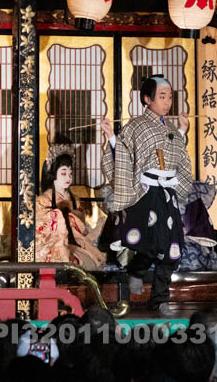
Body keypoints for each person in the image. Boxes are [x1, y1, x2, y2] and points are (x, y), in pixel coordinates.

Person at [100, 75, 193, 316]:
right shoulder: (135, 126)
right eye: (162, 97)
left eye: (170, 96)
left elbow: (177, 157)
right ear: (147, 99)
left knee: (172, 250)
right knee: (149, 245)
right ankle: (136, 271)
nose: (167, 102)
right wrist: (110, 135)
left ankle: (160, 299)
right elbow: (122, 154)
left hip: (167, 193)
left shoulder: (170, 127)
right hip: (145, 193)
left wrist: (182, 131)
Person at [35, 147, 107, 269]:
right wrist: (58, 216)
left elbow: (83, 231)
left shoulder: (75, 200)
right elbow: (40, 233)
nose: (68, 177)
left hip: (77, 244)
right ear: (52, 174)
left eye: (70, 173)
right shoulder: (41, 201)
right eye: (63, 173)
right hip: (54, 246)